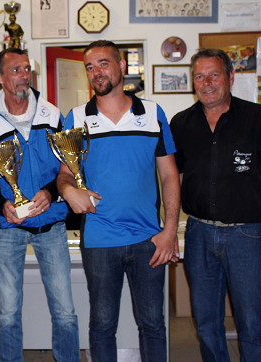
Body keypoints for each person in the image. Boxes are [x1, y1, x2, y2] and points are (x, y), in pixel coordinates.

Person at [57, 40, 180, 362]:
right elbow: (65, 174)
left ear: (122, 66)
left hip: (148, 240)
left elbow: (169, 176)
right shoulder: (77, 117)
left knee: (153, 323)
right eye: (89, 67)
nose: (97, 72)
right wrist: (68, 191)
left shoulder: (152, 113)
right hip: (99, 240)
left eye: (104, 63)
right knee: (101, 323)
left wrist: (170, 231)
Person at [170, 48, 261, 362]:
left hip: (248, 238)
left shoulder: (258, 117)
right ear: (192, 82)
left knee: (252, 323)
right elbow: (175, 179)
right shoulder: (181, 123)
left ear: (230, 77)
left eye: (214, 75)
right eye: (199, 76)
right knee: (207, 324)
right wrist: (170, 228)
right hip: (198, 235)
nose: (206, 82)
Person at [0, 48, 80, 362]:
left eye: (27, 69)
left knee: (65, 309)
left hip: (51, 223)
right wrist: (0, 204)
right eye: (15, 69)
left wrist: (51, 192)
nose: (24, 75)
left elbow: (67, 166)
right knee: (7, 312)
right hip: (8, 228)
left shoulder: (52, 114)